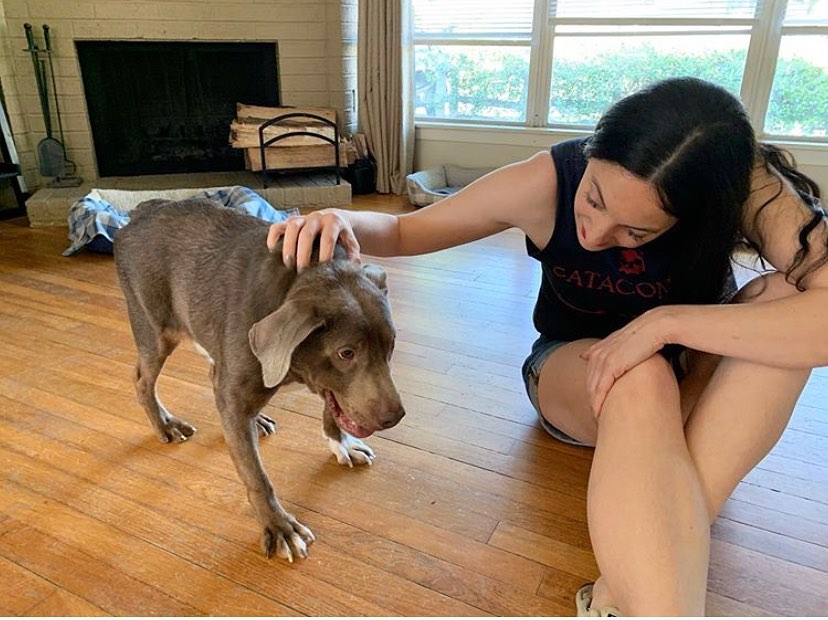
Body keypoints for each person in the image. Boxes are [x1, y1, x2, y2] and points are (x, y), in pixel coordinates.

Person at [266, 77, 826, 616]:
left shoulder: (746, 188)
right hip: (579, 374)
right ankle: (664, 558)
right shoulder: (547, 179)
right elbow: (410, 231)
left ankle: (617, 596)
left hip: (688, 369)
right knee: (642, 374)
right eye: (595, 198)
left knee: (783, 295)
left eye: (637, 233)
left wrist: (664, 324)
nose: (598, 233)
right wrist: (341, 217)